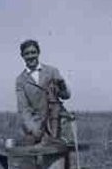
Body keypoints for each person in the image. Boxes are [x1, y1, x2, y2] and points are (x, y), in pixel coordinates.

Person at [15, 39, 72, 168]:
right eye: (27, 53)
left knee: (60, 160)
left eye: (33, 52)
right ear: (22, 56)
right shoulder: (21, 80)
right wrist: (34, 130)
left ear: (38, 53)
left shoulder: (52, 71)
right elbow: (23, 109)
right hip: (36, 126)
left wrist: (63, 86)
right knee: (36, 162)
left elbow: (66, 96)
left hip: (57, 123)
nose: (31, 56)